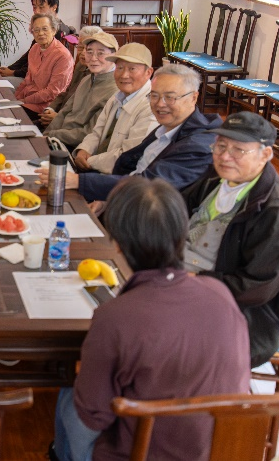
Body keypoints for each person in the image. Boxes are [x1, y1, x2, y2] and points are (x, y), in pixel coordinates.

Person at [52, 177, 250, 461]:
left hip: (140, 453)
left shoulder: (114, 316)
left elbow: (92, 416)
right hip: (214, 451)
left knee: (70, 392)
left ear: (117, 245)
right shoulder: (221, 295)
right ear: (182, 233)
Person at [181, 112, 279, 367]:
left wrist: (194, 280)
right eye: (221, 146)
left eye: (238, 150)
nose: (225, 157)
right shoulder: (217, 178)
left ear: (265, 155)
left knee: (147, 331)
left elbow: (257, 287)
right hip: (184, 279)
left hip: (238, 313)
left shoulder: (276, 211)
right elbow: (179, 207)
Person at [43, 64, 221, 203]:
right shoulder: (167, 127)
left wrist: (79, 181)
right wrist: (105, 200)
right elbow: (130, 165)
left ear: (193, 98)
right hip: (124, 196)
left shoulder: (198, 146)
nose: (160, 104)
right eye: (154, 96)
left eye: (170, 97)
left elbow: (149, 185)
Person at [73, 43, 157, 174]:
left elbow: (128, 156)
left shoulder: (152, 108)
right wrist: (84, 150)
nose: (124, 75)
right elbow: (97, 132)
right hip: (96, 167)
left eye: (132, 69)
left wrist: (90, 161)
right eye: (120, 68)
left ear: (148, 72)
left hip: (120, 177)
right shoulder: (117, 96)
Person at [42, 31, 119, 151]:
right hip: (57, 139)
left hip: (78, 148)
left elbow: (90, 133)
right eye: (89, 52)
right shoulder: (86, 79)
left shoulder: (115, 91)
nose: (93, 58)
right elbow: (64, 112)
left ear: (114, 56)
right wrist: (46, 136)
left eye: (100, 53)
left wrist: (51, 135)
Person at [0, 0, 77, 84]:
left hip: (40, 82)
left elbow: (40, 67)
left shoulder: (56, 32)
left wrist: (13, 72)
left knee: (0, 84)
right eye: (34, 7)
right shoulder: (49, 28)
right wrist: (9, 69)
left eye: (41, 7)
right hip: (29, 77)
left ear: (54, 7)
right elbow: (28, 56)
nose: (37, 11)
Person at [14, 13, 75, 123]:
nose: (40, 33)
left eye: (45, 29)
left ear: (54, 30)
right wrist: (16, 98)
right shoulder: (34, 48)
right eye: (36, 30)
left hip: (45, 106)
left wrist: (24, 100)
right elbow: (28, 79)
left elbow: (52, 92)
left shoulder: (62, 56)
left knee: (10, 115)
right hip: (28, 99)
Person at [38, 26, 96, 125]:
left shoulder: (98, 76)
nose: (83, 53)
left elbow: (85, 113)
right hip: (59, 114)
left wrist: (58, 117)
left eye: (88, 49)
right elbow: (66, 92)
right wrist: (50, 109)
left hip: (70, 124)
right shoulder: (80, 66)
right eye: (80, 47)